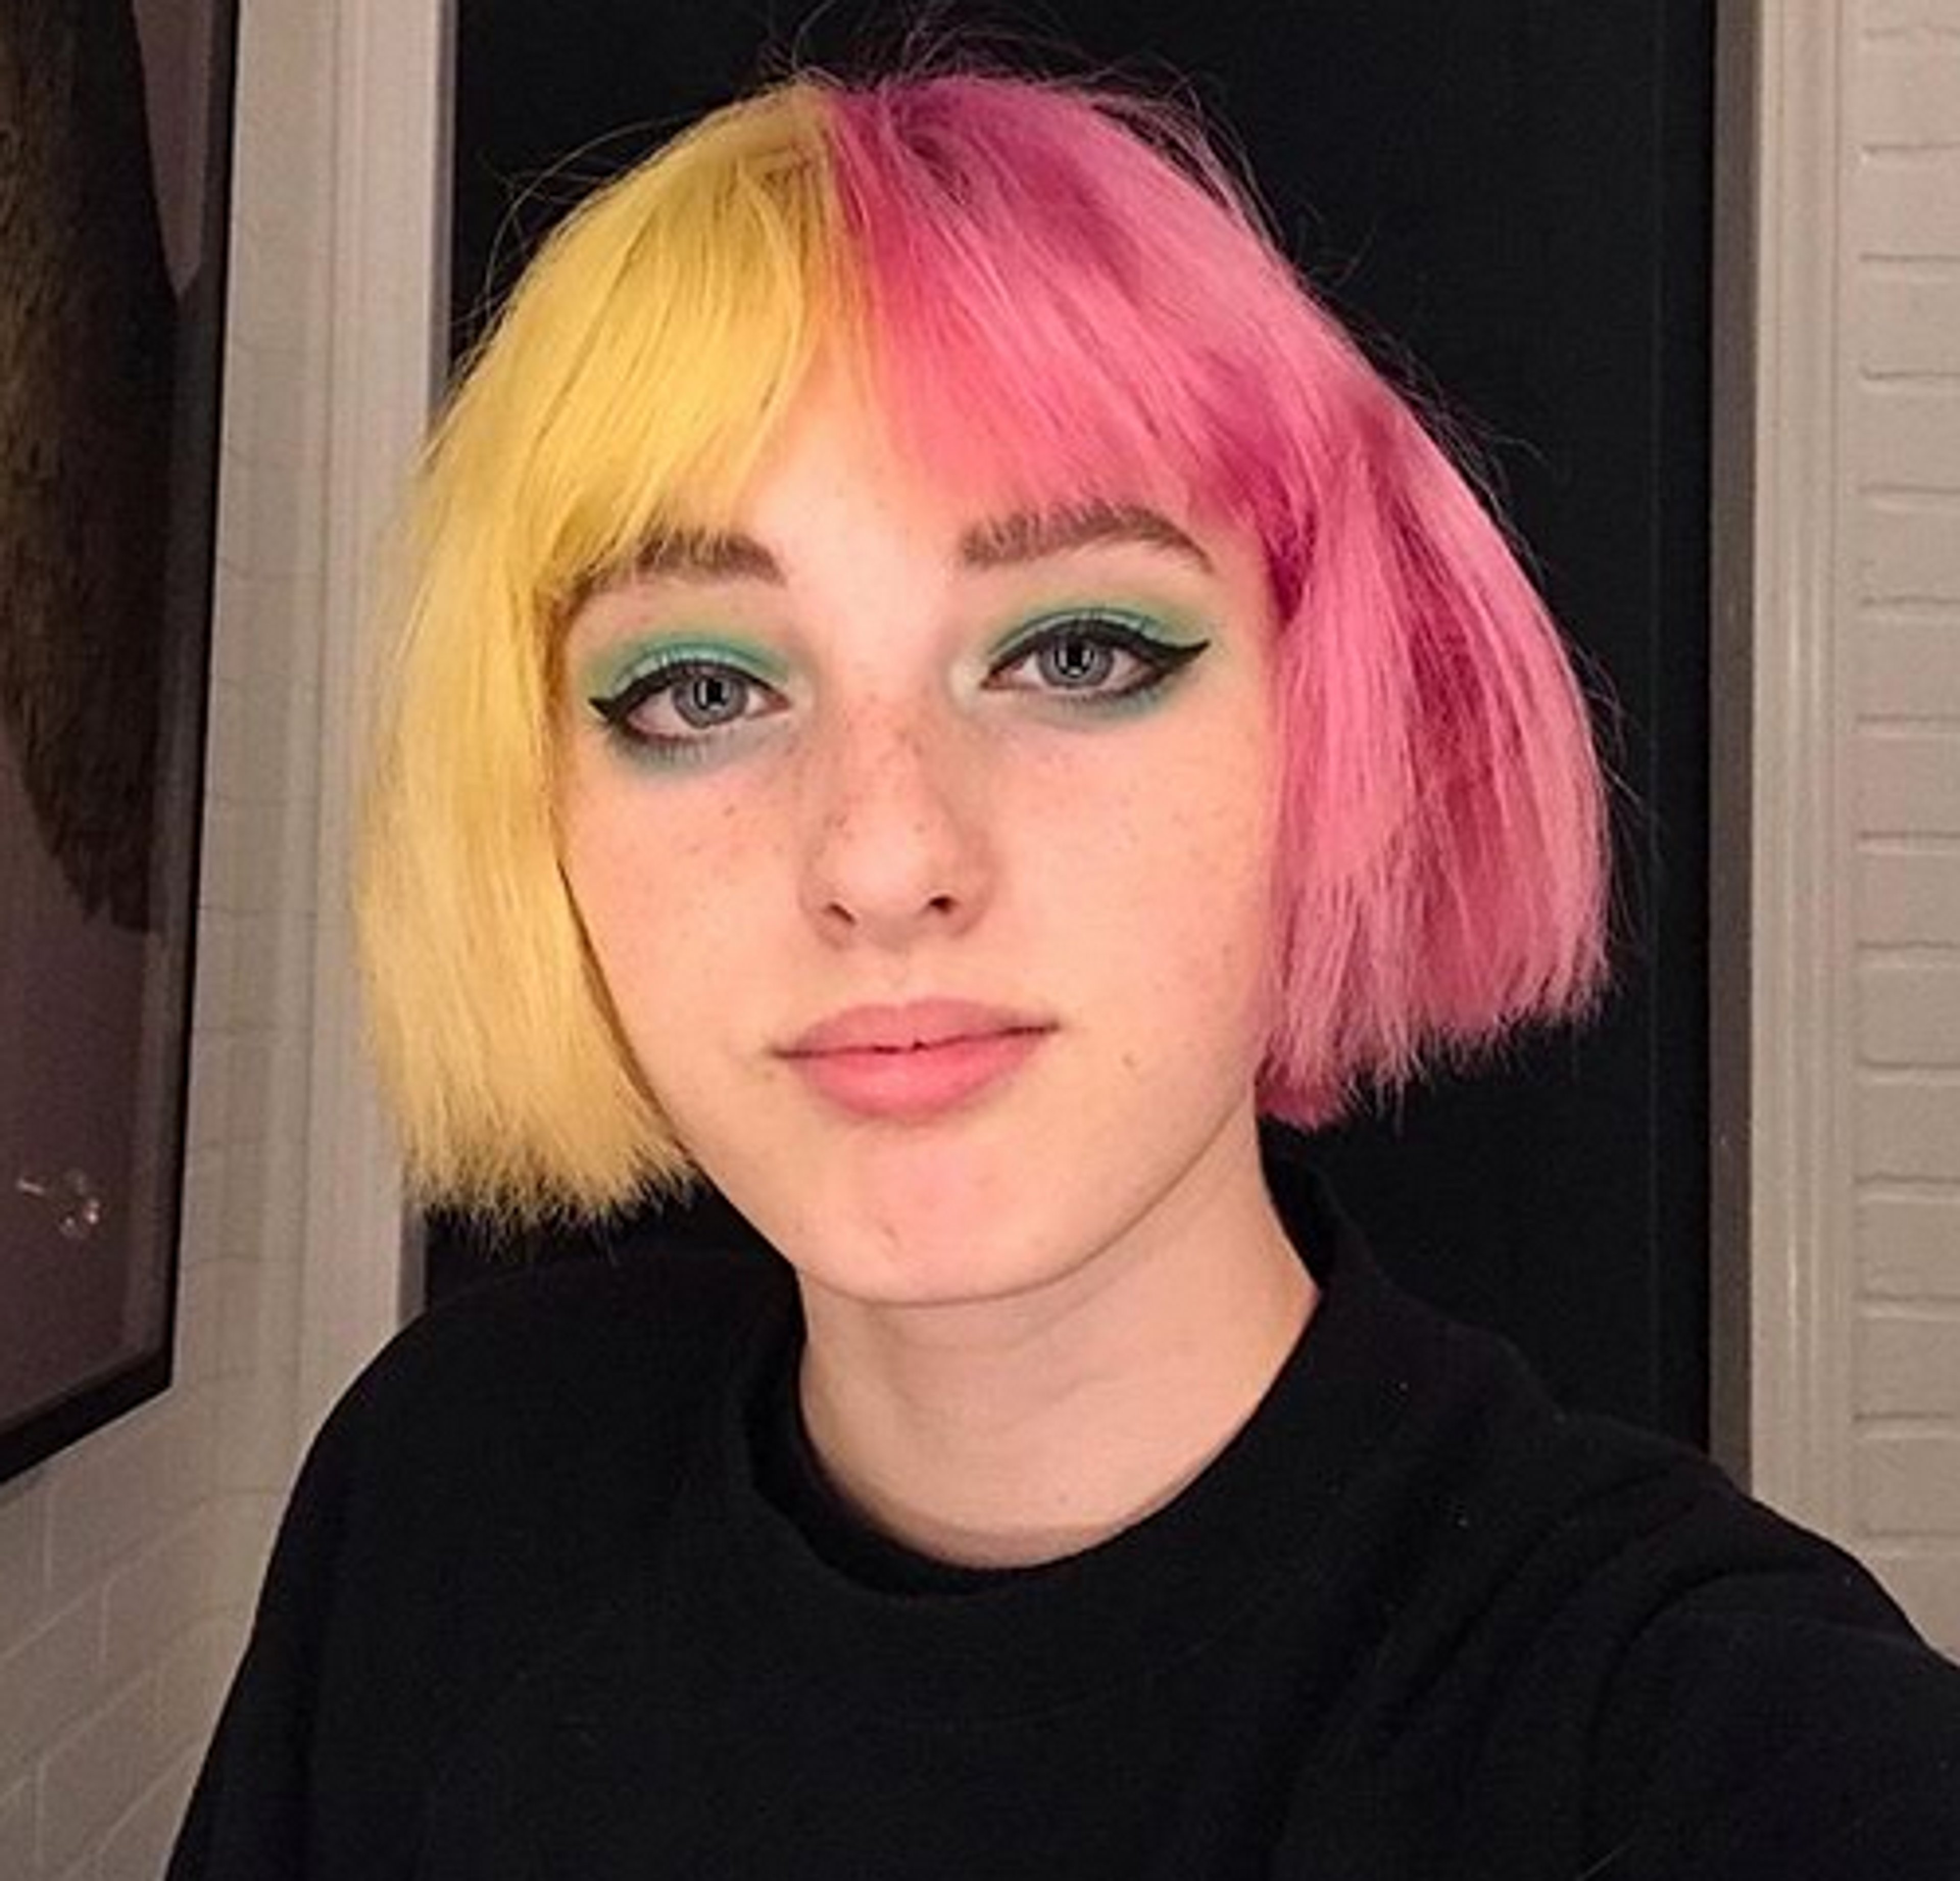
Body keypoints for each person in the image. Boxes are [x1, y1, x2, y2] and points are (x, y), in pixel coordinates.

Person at [168, 64, 1960, 1880]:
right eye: (704, 690)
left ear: (1336, 736)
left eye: (1078, 651)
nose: (883, 860)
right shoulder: (448, 1498)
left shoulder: (1708, 1745)